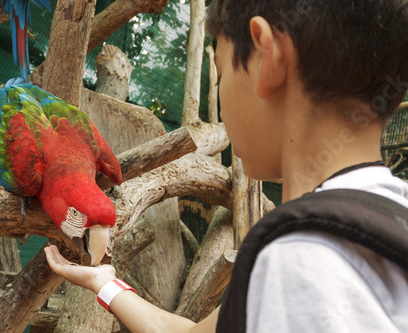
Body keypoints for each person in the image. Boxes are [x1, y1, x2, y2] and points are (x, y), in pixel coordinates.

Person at [45, 0, 408, 331]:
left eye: (219, 73)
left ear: (266, 58)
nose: (219, 98)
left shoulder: (299, 265)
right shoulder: (387, 222)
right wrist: (103, 283)